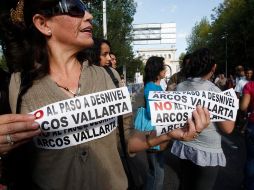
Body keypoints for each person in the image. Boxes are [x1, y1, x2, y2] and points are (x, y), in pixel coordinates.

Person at [0, 1, 210, 189]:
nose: (89, 15)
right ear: (43, 23)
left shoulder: (109, 77)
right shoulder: (17, 86)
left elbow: (126, 139)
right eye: (75, 7)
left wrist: (169, 134)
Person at [170, 48, 235, 190]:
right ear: (213, 67)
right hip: (207, 150)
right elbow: (228, 128)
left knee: (185, 184)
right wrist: (232, 107)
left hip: (185, 145)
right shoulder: (215, 91)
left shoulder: (180, 86)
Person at [143, 56, 167, 190]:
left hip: (157, 132)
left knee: (156, 171)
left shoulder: (154, 86)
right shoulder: (152, 88)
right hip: (154, 133)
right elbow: (153, 114)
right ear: (157, 70)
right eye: (163, 67)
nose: (165, 70)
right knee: (157, 173)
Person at [240, 74, 254, 190]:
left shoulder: (250, 85)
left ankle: (248, 186)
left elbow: (243, 106)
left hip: (253, 125)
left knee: (251, 159)